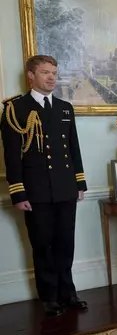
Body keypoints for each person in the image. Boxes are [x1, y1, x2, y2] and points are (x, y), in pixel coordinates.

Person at [0, 55, 88, 317]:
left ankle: (68, 293)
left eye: (54, 73)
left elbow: (73, 149)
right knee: (43, 245)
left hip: (64, 188)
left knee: (65, 243)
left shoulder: (64, 108)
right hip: (36, 191)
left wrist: (79, 183)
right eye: (45, 72)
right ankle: (49, 297)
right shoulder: (16, 109)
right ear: (31, 75)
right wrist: (18, 192)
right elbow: (12, 155)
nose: (51, 77)